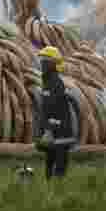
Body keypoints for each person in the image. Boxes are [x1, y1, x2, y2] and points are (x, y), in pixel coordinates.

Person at [34, 46, 78, 179]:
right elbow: (46, 108)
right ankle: (50, 190)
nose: (41, 63)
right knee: (50, 161)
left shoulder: (55, 83)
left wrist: (48, 129)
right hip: (54, 132)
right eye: (41, 59)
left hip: (60, 133)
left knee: (58, 164)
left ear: (53, 63)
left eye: (45, 60)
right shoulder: (48, 81)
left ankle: (56, 191)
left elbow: (53, 108)